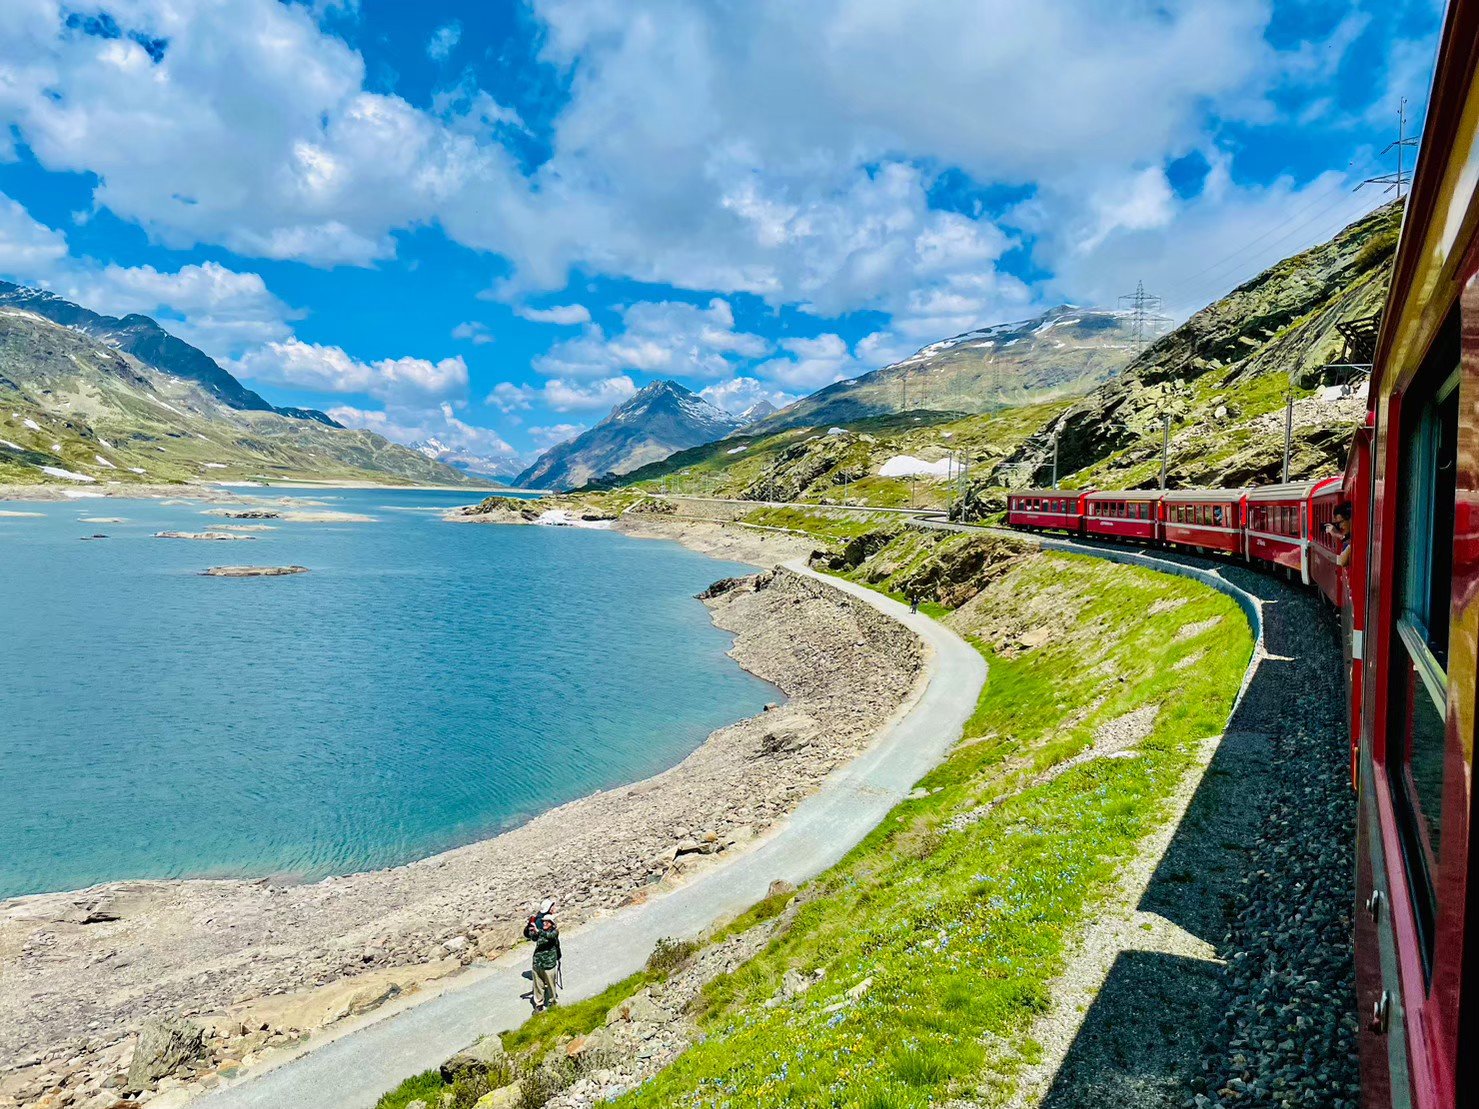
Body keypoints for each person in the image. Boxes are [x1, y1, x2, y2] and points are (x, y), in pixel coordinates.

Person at [524, 898, 562, 1010]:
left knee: (550, 985)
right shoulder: (540, 925)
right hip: (538, 962)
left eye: (547, 922)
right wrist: (530, 929)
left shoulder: (553, 932)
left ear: (551, 924)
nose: (544, 923)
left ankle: (552, 1003)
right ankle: (539, 1004)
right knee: (538, 985)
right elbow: (532, 936)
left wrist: (538, 931)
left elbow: (549, 936)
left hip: (548, 962)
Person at [1324, 501, 1354, 568]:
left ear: (1350, 519)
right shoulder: (1348, 537)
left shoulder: (1354, 540)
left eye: (1341, 522)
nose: (1340, 527)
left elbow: (1342, 561)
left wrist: (1338, 535)